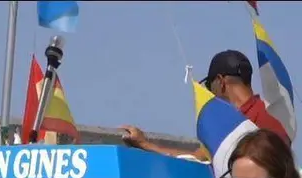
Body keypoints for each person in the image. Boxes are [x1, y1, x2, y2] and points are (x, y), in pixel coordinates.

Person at [121, 50, 290, 160]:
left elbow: (196, 159)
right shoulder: (271, 117)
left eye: (210, 86)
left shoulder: (236, 125)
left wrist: (144, 143)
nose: (211, 94)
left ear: (221, 82)